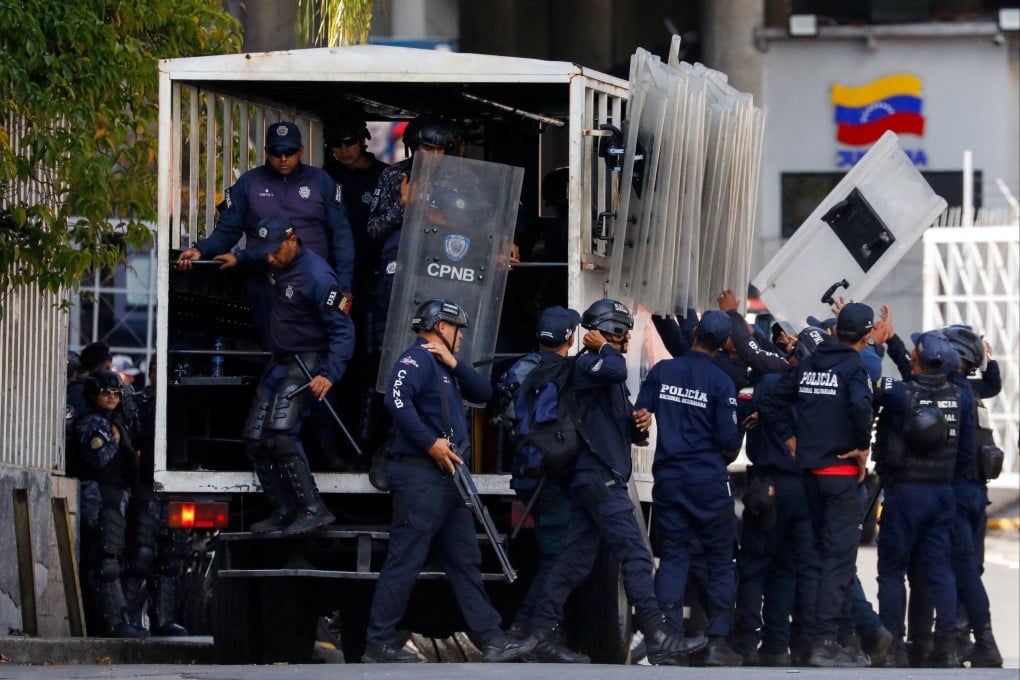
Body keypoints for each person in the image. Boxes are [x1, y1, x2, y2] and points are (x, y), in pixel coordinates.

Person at [522, 299, 707, 665]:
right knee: (637, 554)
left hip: (598, 476)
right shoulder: (590, 364)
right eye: (621, 334)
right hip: (598, 478)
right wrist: (602, 346)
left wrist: (636, 427)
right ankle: (657, 636)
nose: (626, 341)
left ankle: (539, 632)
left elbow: (604, 423)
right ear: (604, 332)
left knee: (573, 561)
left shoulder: (603, 369)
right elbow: (615, 368)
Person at [362, 299, 536, 663]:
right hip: (421, 474)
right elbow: (396, 401)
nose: (461, 338)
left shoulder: (442, 363)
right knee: (405, 559)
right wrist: (430, 443)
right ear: (443, 326)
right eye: (458, 331)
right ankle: (379, 643)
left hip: (449, 478)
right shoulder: (415, 360)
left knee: (465, 560)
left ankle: (491, 639)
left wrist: (454, 363)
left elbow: (484, 394)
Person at [759, 302, 875, 667]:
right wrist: (862, 447)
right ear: (868, 336)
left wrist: (791, 439)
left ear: (836, 329)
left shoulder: (809, 363)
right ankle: (824, 642)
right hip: (839, 476)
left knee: (814, 559)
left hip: (809, 474)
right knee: (837, 561)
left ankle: (813, 641)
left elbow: (773, 400)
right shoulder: (854, 368)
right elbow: (860, 408)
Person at [176, 121, 355, 343]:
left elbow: (342, 237)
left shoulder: (321, 181)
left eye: (289, 152)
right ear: (266, 152)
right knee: (271, 351)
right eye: (276, 152)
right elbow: (227, 231)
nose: (283, 158)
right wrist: (200, 250)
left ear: (300, 151)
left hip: (314, 283)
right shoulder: (249, 183)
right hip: (267, 284)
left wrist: (344, 286)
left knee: (319, 348)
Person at [635, 309, 745, 666]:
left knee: (673, 556)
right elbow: (729, 442)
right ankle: (716, 642)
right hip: (708, 482)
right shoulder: (721, 382)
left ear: (694, 331)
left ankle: (668, 638)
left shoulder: (664, 371)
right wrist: (743, 426)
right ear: (724, 344)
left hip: (669, 480)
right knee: (719, 560)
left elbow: (640, 415)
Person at [239, 217, 354, 536]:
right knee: (255, 437)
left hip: (308, 360)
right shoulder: (271, 258)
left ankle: (313, 509)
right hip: (280, 358)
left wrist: (329, 373)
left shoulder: (319, 276)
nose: (269, 259)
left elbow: (344, 330)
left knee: (281, 433)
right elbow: (254, 255)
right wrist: (234, 256)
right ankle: (283, 510)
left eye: (274, 252)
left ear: (292, 241)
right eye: (265, 253)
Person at [497, 305, 589, 663]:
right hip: (553, 475)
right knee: (559, 556)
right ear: (570, 338)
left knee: (553, 554)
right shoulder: (567, 371)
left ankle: (527, 630)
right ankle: (536, 632)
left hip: (524, 472)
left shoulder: (517, 368)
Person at [730, 326, 826, 667]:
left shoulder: (768, 385)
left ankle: (744, 643)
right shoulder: (821, 391)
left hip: (767, 485)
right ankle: (776, 646)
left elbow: (741, 414)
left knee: (754, 567)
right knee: (787, 569)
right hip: (805, 488)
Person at [872, 330, 964, 668]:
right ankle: (946, 646)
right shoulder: (959, 396)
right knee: (938, 570)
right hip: (942, 491)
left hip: (906, 491)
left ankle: (893, 644)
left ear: (919, 356)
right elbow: (966, 451)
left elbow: (882, 395)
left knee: (893, 570)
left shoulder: (901, 395)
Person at [69, 371, 147, 638]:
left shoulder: (116, 422)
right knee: (105, 560)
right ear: (94, 395)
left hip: (116, 496)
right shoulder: (90, 423)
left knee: (119, 558)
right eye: (106, 393)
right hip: (99, 496)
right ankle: (111, 622)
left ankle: (120, 619)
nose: (112, 397)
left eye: (116, 394)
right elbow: (100, 458)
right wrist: (115, 439)